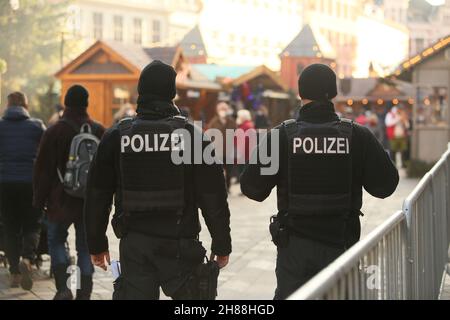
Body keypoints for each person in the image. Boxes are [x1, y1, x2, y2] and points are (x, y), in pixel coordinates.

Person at [240, 64, 399, 300]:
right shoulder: (357, 135)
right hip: (341, 243)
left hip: (294, 247)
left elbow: (252, 188)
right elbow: (386, 186)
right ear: (333, 93)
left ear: (301, 93)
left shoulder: (281, 136)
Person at [84, 60, 232, 300]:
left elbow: (97, 195)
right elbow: (213, 195)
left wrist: (96, 243)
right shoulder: (191, 136)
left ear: (140, 92)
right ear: (172, 93)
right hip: (180, 244)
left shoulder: (117, 135)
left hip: (135, 244)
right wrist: (222, 244)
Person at [33, 85, 105, 300]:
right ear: (87, 103)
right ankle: (85, 291)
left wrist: (39, 200)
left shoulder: (54, 131)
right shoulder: (98, 130)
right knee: (85, 246)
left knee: (56, 241)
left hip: (59, 201)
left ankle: (63, 289)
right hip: (88, 203)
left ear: (66, 103)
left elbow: (43, 170)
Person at [0, 92, 45, 290]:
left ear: (7, 106)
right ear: (26, 106)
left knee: (9, 226)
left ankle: (14, 273)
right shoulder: (36, 126)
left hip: (4, 183)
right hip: (30, 183)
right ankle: (27, 259)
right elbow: (46, 153)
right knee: (32, 224)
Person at [207, 102, 237, 192]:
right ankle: (218, 186)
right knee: (217, 170)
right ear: (218, 110)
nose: (223, 111)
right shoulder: (214, 121)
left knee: (229, 170)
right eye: (221, 109)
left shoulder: (231, 121)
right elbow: (209, 134)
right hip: (218, 150)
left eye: (224, 109)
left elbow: (236, 133)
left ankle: (227, 187)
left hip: (229, 150)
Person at [235, 109, 256, 178]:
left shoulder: (246, 126)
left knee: (244, 173)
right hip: (245, 154)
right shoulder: (245, 125)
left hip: (244, 154)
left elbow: (245, 142)